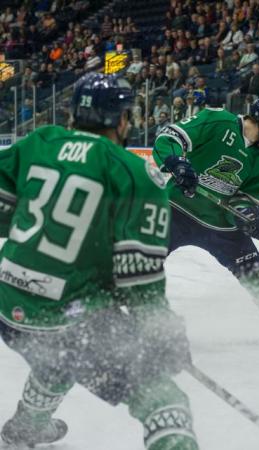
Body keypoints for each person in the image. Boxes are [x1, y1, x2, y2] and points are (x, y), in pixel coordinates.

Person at [0, 72, 199, 449]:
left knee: (56, 361)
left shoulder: (37, 143)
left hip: (8, 308)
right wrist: (165, 334)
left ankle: (27, 427)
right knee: (163, 401)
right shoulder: (135, 173)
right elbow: (140, 283)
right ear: (123, 119)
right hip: (70, 320)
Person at [153, 96, 259, 340]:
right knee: (141, 261)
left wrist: (250, 216)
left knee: (257, 274)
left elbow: (244, 200)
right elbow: (169, 137)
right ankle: (123, 316)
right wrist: (176, 162)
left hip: (221, 225)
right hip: (177, 210)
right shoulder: (217, 120)